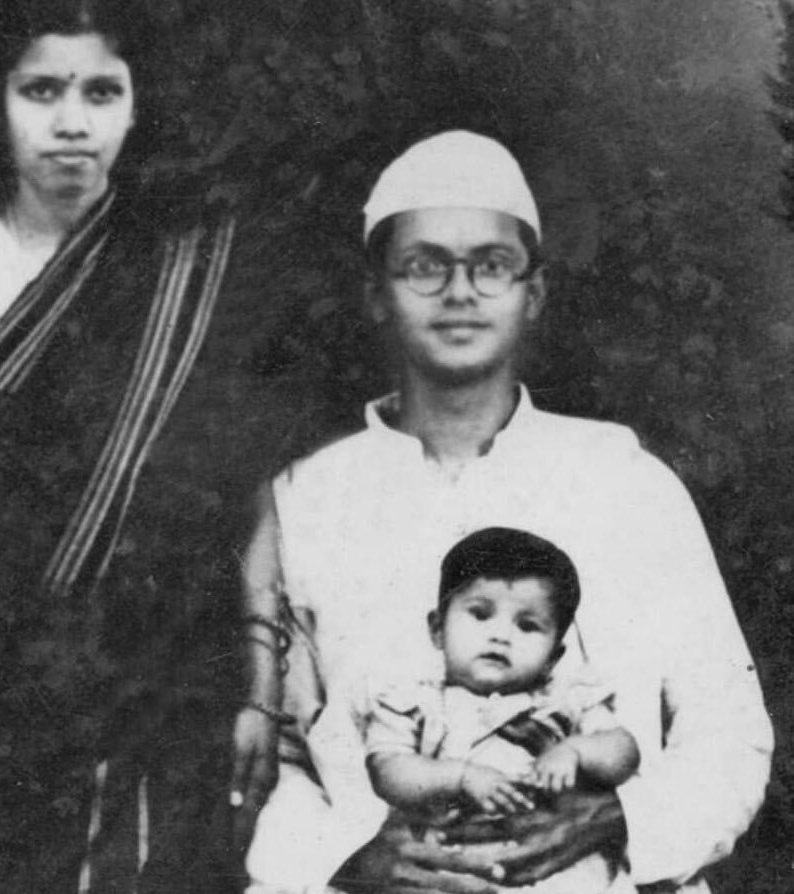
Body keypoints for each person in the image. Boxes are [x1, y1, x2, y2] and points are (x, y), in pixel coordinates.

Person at [231, 130, 773, 893]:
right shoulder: (304, 498)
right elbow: (280, 756)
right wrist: (343, 861)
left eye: (490, 265)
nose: (459, 292)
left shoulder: (628, 483)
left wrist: (619, 818)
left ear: (533, 293)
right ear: (376, 293)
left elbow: (727, 728)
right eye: (424, 265)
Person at [0, 2, 233, 891]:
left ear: (136, 108)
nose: (72, 122)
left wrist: (260, 687)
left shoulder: (190, 269)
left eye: (102, 92)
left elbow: (249, 496)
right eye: (41, 91)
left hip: (165, 697)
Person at [366, 527, 639, 894]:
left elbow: (624, 751)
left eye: (527, 626)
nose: (501, 635)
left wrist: (575, 751)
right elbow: (387, 770)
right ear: (437, 629)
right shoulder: (417, 702)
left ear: (554, 656)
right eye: (480, 614)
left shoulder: (565, 700)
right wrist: (459, 777)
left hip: (552, 867)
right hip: (452, 864)